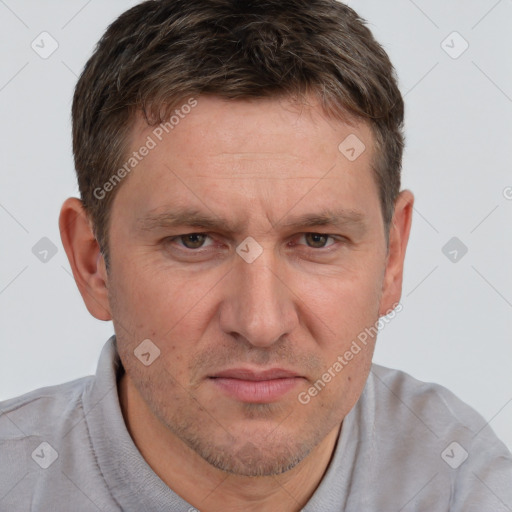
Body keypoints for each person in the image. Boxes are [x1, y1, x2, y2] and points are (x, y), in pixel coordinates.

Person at [1, 0, 511, 510]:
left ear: (392, 258)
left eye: (316, 240)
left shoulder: (464, 484)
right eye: (194, 241)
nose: (261, 323)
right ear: (94, 263)